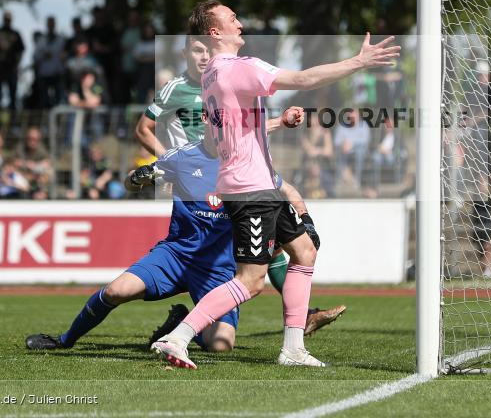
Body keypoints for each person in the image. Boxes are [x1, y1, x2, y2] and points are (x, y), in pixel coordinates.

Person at [153, 0, 398, 370]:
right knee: (251, 282)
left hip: (255, 184)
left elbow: (228, 133)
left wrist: (278, 123)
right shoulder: (238, 68)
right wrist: (358, 62)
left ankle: (293, 348)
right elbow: (302, 79)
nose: (239, 22)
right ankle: (179, 336)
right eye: (231, 18)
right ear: (214, 32)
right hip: (250, 190)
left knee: (304, 252)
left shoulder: (210, 77)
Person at [136, 35, 346, 344]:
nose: (204, 56)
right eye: (197, 50)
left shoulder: (219, 77)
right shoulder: (179, 87)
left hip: (236, 167)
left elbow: (241, 126)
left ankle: (297, 327)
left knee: (292, 224)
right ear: (185, 52)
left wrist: (280, 121)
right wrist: (171, 164)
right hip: (209, 173)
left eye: (207, 51)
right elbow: (143, 128)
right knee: (250, 272)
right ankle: (182, 329)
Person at [0, 11, 25, 109]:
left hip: (11, 69)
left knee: (13, 95)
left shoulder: (15, 34)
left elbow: (22, 50)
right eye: (6, 19)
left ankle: (13, 120)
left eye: (9, 19)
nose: (7, 21)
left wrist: (17, 64)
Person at [32, 16, 66, 108]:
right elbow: (36, 58)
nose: (51, 25)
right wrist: (43, 57)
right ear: (47, 25)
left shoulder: (61, 40)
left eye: (52, 23)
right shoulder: (41, 40)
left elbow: (65, 55)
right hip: (44, 74)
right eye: (49, 23)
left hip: (57, 73)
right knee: (44, 100)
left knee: (59, 100)